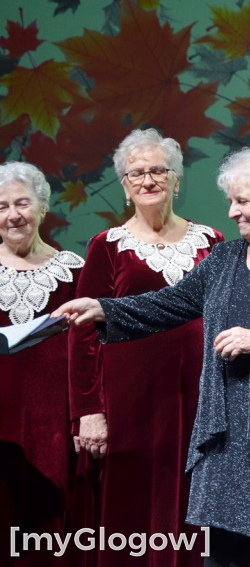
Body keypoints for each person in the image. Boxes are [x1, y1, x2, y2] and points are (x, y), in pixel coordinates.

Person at [56, 148, 250, 565]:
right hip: (226, 442)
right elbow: (169, 304)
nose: (232, 212)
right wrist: (105, 309)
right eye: (230, 201)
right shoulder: (224, 260)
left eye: (242, 201)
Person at [68, 129, 222, 566]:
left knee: (197, 503)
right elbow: (82, 336)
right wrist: (89, 412)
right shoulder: (107, 247)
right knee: (132, 507)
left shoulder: (211, 242)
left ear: (177, 180)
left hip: (198, 399)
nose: (148, 179)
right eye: (136, 172)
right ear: (124, 185)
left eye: (159, 170)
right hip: (130, 404)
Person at [0, 162, 85, 564]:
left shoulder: (74, 270)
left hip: (54, 418)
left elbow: (90, 350)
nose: (13, 214)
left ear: (43, 207)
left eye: (22, 203)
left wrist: (85, 415)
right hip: (1, 420)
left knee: (50, 528)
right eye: (1, 206)